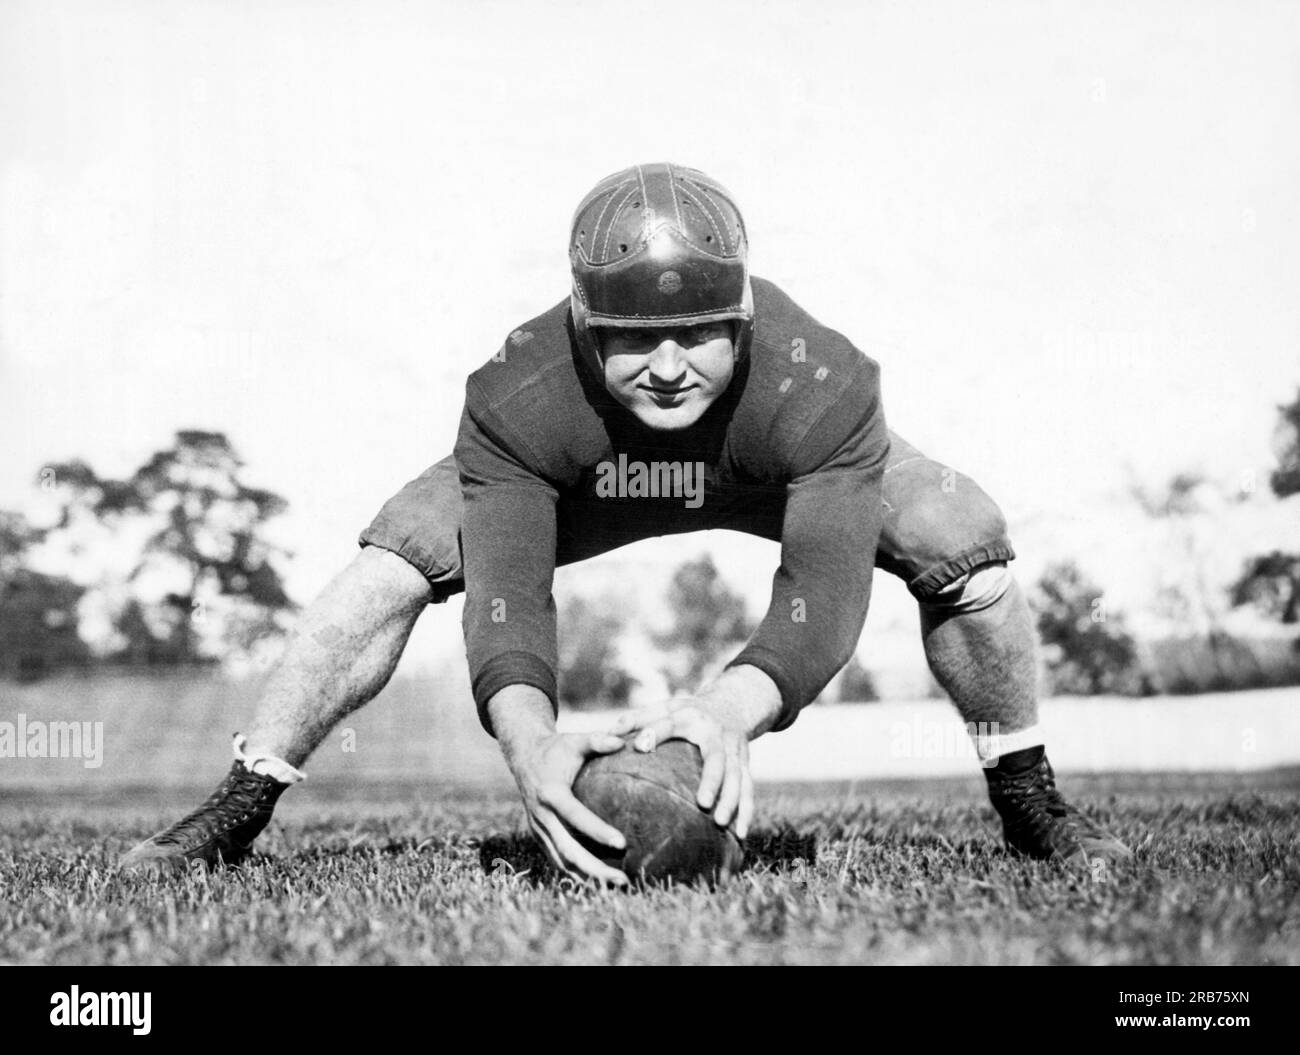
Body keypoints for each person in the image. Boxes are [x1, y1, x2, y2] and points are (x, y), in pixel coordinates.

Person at [120, 163, 1131, 883]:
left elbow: (822, 593)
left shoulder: (820, 382)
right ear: (583, 324)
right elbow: (510, 594)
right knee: (385, 566)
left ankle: (1028, 795)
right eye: (633, 340)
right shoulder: (521, 393)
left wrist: (724, 712)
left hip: (760, 465)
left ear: (742, 319)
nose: (667, 364)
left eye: (698, 334)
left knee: (966, 541)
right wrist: (528, 739)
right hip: (586, 474)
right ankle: (238, 803)